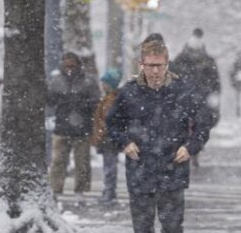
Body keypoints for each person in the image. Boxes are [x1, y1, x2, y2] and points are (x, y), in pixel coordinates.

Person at [106, 34, 212, 233]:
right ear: (142, 65)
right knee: (142, 228)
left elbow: (203, 124)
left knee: (172, 227)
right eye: (150, 65)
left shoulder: (183, 91)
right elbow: (112, 124)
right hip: (140, 169)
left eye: (159, 65)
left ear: (167, 64)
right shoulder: (129, 92)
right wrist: (125, 142)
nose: (155, 71)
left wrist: (190, 147)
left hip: (172, 168)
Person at [47, 52, 101, 198]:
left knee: (82, 162)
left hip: (82, 128)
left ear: (78, 66)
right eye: (66, 66)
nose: (69, 69)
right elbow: (50, 101)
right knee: (58, 161)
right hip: (61, 128)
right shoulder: (56, 81)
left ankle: (80, 190)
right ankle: (55, 189)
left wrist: (82, 104)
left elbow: (96, 102)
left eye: (72, 65)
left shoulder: (88, 81)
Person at [170, 27, 221, 167]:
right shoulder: (207, 61)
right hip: (197, 98)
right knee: (200, 125)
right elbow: (215, 81)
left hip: (189, 98)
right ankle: (193, 150)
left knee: (188, 124)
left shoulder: (180, 60)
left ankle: (188, 150)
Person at [90, 67, 123, 204]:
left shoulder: (111, 100)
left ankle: (109, 192)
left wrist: (101, 132)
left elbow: (107, 120)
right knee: (109, 166)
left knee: (109, 167)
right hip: (108, 137)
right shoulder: (110, 98)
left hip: (108, 138)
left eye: (104, 82)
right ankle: (109, 191)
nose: (102, 85)